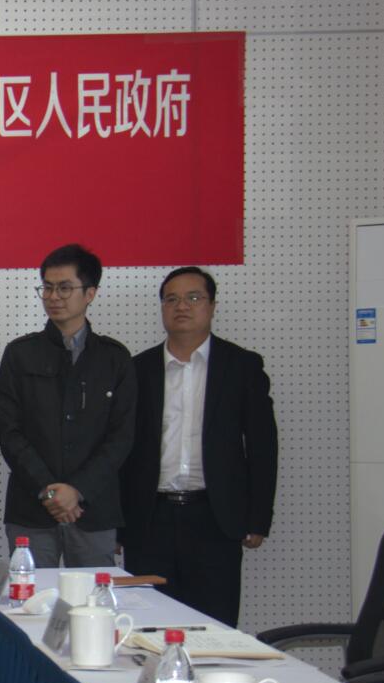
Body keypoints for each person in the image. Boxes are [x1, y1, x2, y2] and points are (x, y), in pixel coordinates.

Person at [119, 267, 278, 627]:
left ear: (212, 306)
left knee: (214, 626)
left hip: (215, 519)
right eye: (171, 299)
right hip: (150, 519)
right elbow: (121, 450)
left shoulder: (241, 366)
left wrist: (258, 518)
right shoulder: (137, 369)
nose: (182, 306)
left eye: (193, 297)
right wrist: (117, 523)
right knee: (149, 626)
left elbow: (263, 447)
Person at [0, 243, 135, 568]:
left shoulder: (114, 358)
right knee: (29, 596)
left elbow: (121, 437)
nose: (54, 297)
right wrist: (49, 491)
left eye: (65, 288)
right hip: (32, 509)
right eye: (47, 287)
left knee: (92, 597)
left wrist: (77, 490)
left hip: (92, 509)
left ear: (90, 293)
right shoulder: (20, 353)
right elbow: (9, 431)